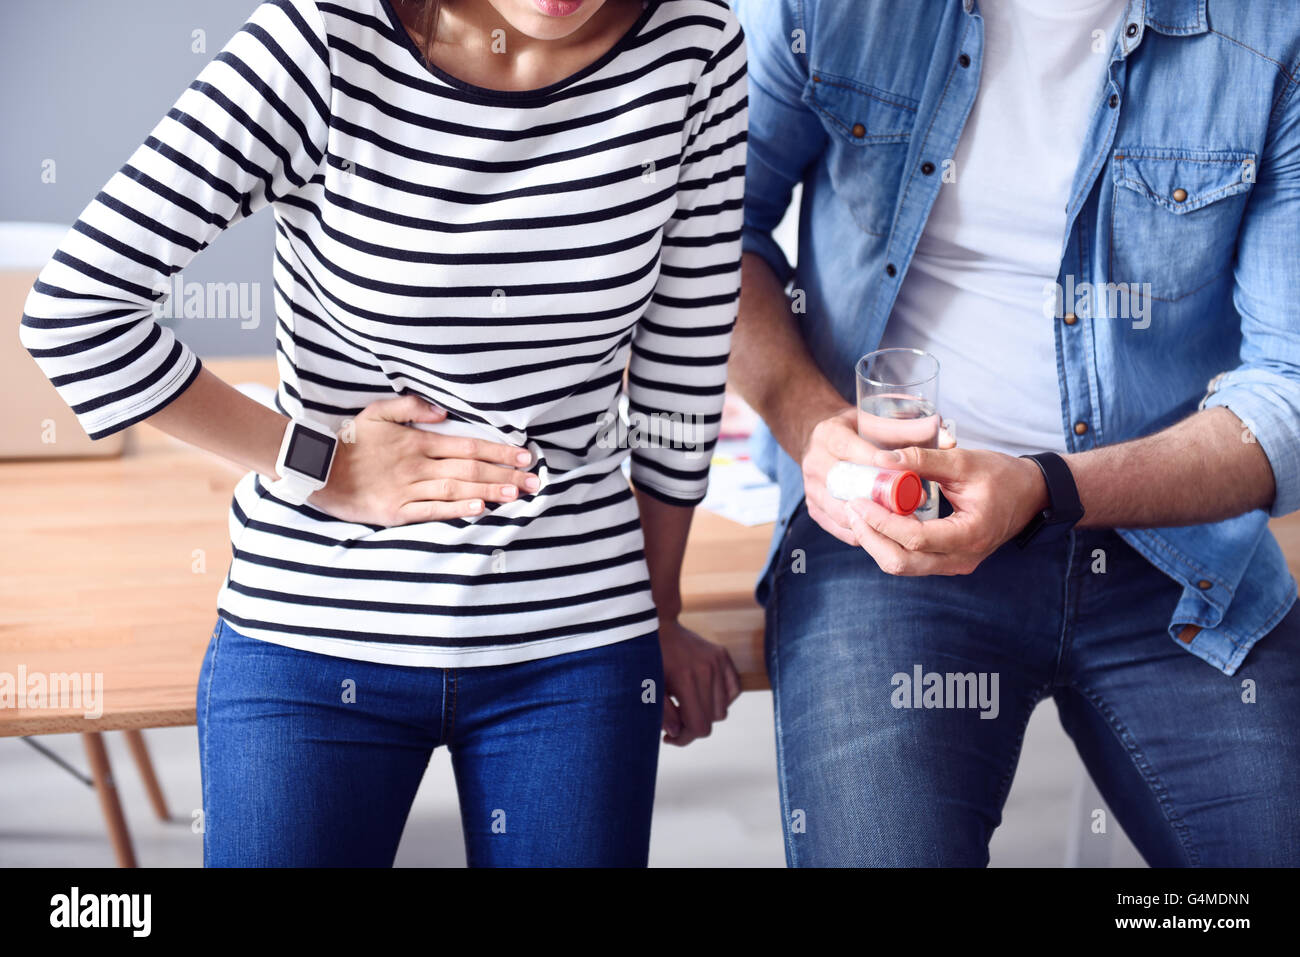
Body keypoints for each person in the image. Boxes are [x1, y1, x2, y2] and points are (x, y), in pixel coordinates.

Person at [20, 0, 747, 866]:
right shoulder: (320, 38)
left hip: (575, 642)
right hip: (311, 635)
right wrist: (321, 464)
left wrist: (660, 607)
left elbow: (684, 362)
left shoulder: (694, 45)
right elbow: (77, 311)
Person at [730, 0, 1300, 866]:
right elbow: (707, 234)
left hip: (1173, 557)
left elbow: (1289, 388)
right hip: (887, 535)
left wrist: (1045, 487)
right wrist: (816, 426)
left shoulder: (1270, 32)